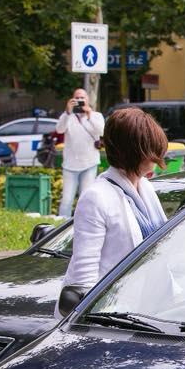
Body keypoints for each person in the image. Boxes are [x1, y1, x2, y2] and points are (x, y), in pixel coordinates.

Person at [57, 108, 168, 316]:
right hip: (110, 314)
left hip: (146, 308)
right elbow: (83, 276)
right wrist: (94, 321)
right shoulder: (96, 197)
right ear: (133, 151)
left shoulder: (146, 187)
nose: (157, 157)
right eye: (151, 150)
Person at [56, 88, 105, 218]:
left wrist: (89, 116)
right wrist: (67, 112)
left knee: (85, 198)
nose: (79, 100)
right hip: (70, 164)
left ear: (88, 100)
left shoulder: (96, 116)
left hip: (89, 163)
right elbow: (59, 129)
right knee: (67, 199)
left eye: (82, 98)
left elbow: (102, 131)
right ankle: (61, 225)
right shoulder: (68, 117)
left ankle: (83, 223)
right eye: (76, 98)